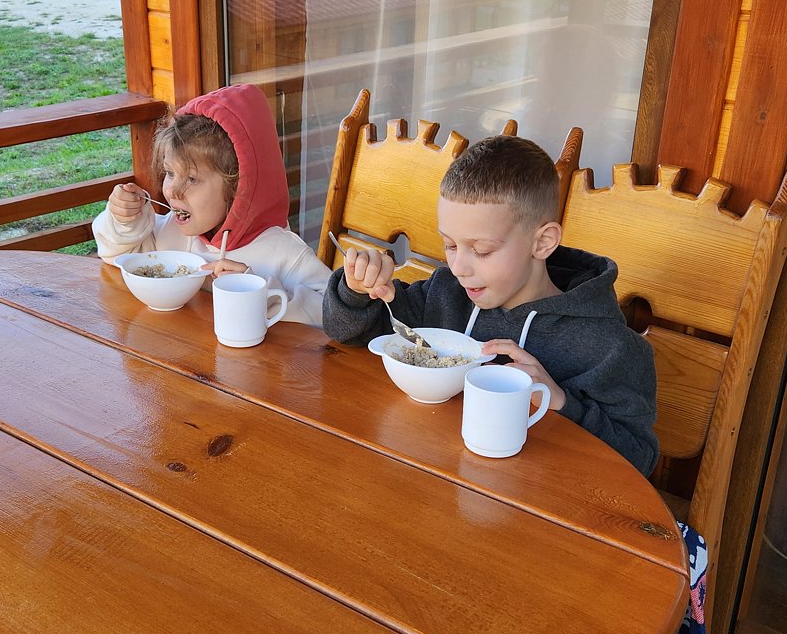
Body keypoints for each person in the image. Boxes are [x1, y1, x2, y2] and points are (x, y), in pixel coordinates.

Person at [322, 135, 658, 474]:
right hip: (430, 471)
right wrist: (356, 290)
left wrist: (560, 401)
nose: (459, 268)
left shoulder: (608, 347)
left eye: (482, 250)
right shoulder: (445, 294)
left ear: (542, 243)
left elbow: (638, 461)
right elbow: (348, 332)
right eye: (450, 245)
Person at [92, 84, 330, 327]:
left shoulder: (284, 252)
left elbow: (331, 315)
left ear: (238, 187)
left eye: (191, 179)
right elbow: (117, 256)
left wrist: (258, 292)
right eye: (170, 173)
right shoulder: (171, 232)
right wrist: (124, 221)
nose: (172, 190)